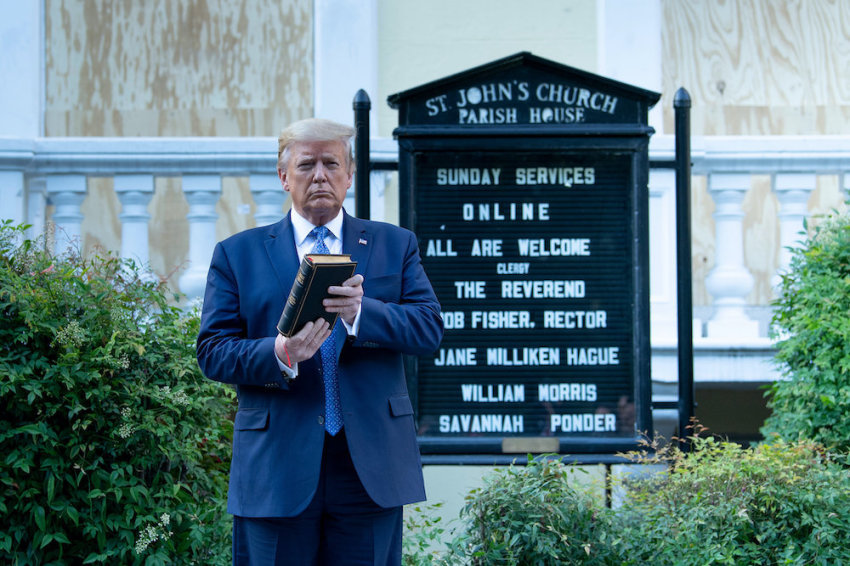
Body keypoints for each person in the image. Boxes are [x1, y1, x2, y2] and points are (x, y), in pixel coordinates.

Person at [196, 118, 444, 565]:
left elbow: (428, 329)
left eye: (332, 163)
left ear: (349, 174)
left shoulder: (394, 244)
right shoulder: (238, 253)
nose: (320, 175)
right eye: (306, 164)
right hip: (276, 465)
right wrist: (278, 354)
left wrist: (362, 314)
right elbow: (212, 351)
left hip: (370, 465)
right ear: (283, 176)